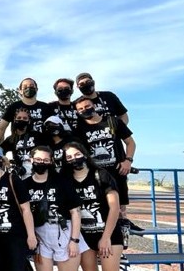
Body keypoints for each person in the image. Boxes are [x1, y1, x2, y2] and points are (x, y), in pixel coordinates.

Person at [73, 97, 136, 226]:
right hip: (97, 175)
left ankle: (121, 239)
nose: (84, 110)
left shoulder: (113, 121)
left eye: (87, 106)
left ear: (94, 106)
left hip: (118, 171)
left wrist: (128, 160)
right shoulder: (79, 129)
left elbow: (130, 143)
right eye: (80, 109)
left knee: (120, 210)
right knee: (101, 210)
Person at [63, 142, 122, 271]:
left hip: (108, 233)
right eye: (69, 157)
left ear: (84, 154)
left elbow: (114, 208)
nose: (74, 159)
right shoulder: (67, 181)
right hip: (84, 237)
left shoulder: (101, 175)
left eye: (77, 154)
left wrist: (106, 238)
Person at [26, 146, 87, 271]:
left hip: (63, 232)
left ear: (51, 161)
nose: (41, 163)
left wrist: (74, 241)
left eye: (46, 160)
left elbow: (75, 212)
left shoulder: (61, 181)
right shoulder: (25, 184)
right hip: (40, 237)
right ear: (31, 160)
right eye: (38, 159)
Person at [0, 147, 37, 271]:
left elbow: (26, 209)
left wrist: (31, 235)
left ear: (2, 161)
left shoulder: (12, 179)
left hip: (14, 236)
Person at [0, 78, 50, 143]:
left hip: (42, 146)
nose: (29, 88)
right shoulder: (13, 107)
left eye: (32, 86)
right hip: (17, 145)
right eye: (25, 87)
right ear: (20, 91)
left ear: (37, 89)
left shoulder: (45, 107)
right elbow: (1, 129)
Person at [1, 108, 50, 180]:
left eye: (25, 118)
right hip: (21, 173)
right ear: (14, 119)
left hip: (37, 172)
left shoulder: (38, 135)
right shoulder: (11, 139)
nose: (22, 120)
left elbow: (48, 151)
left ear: (29, 120)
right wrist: (5, 159)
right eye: (19, 118)